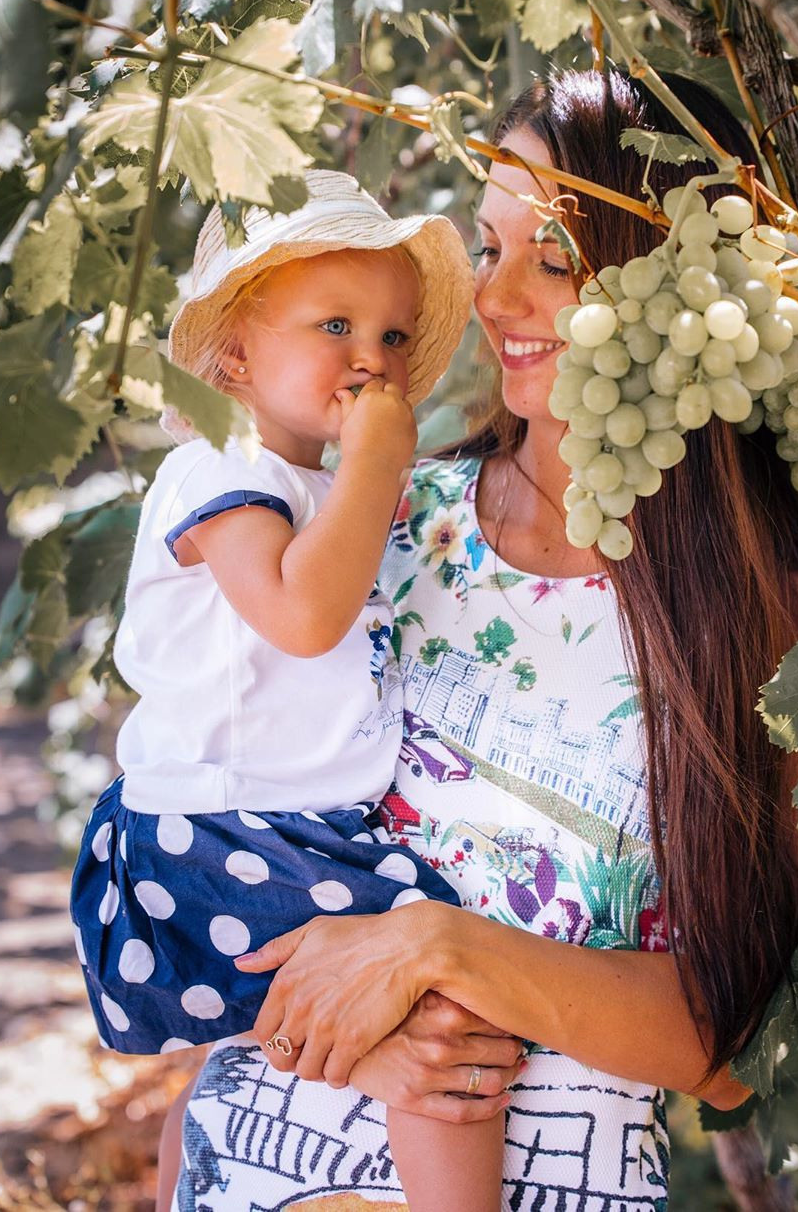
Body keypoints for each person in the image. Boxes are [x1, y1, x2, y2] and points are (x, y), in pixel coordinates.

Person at [165, 69, 798, 1212]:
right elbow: (190, 840)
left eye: (560, 259)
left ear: (679, 290)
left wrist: (447, 951)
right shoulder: (364, 535)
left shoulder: (786, 620)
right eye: (490, 247)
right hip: (256, 1165)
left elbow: (738, 1053)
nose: (496, 298)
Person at [70, 169, 519, 1212]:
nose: (372, 358)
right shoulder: (216, 470)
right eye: (335, 324)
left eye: (396, 338)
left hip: (273, 825)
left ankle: (202, 1181)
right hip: (220, 829)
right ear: (235, 352)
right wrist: (377, 465)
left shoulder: (311, 484)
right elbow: (304, 613)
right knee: (448, 1002)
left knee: (289, 1031)